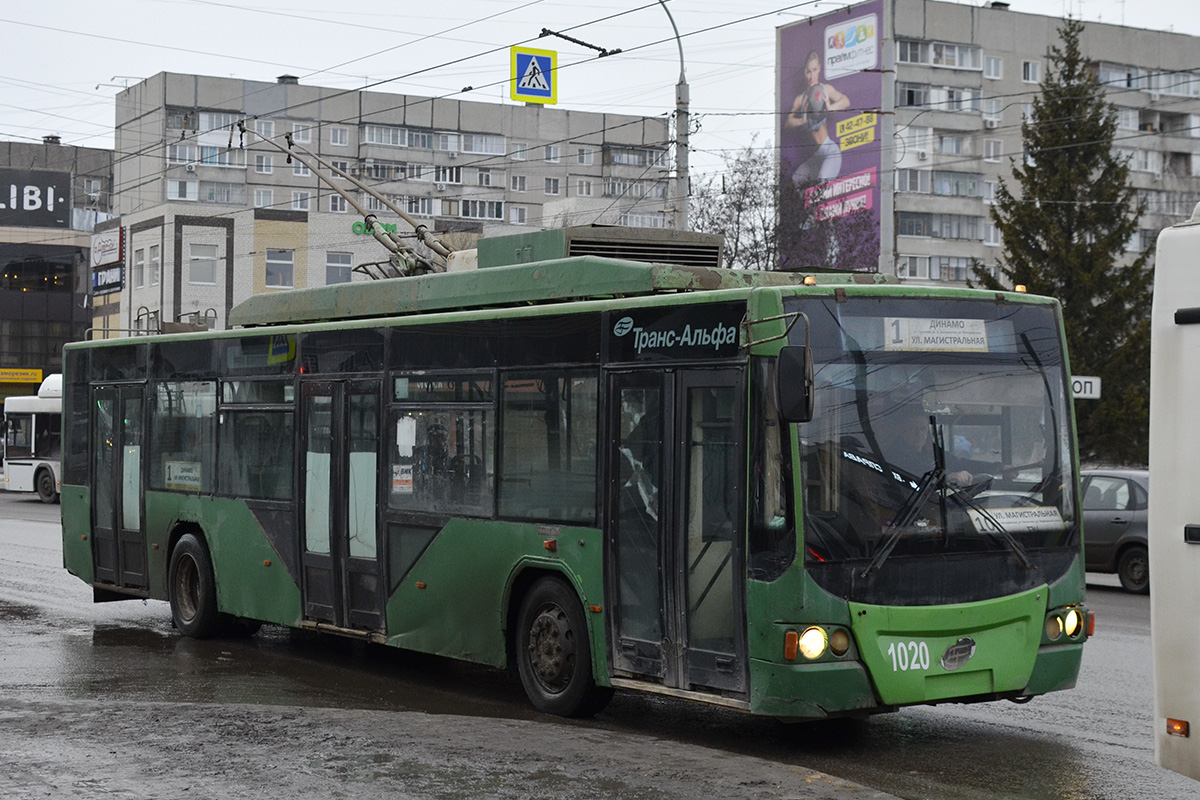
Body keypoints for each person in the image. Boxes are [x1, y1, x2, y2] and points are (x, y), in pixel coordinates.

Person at [784, 50, 851, 185]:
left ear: (819, 69)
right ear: (805, 73)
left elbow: (845, 101)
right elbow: (787, 123)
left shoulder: (825, 89)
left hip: (829, 151)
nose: (811, 76)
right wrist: (801, 121)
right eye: (808, 71)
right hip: (815, 157)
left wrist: (831, 107)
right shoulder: (800, 99)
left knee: (821, 187)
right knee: (795, 181)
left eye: (814, 70)